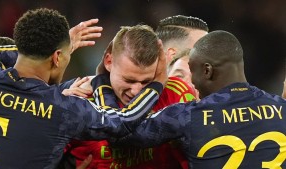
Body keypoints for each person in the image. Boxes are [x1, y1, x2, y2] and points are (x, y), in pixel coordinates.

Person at [0, 8, 167, 169]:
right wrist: (157, 82)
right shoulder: (64, 108)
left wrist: (49, 47)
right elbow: (124, 121)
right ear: (57, 57)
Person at [111, 30, 286, 169]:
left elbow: (119, 131)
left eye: (192, 71)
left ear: (207, 71)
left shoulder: (189, 115)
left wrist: (101, 85)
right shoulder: (281, 108)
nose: (191, 82)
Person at [60, 25, 196, 169]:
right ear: (108, 62)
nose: (136, 91)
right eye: (129, 80)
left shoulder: (177, 93)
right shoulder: (79, 100)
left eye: (146, 82)